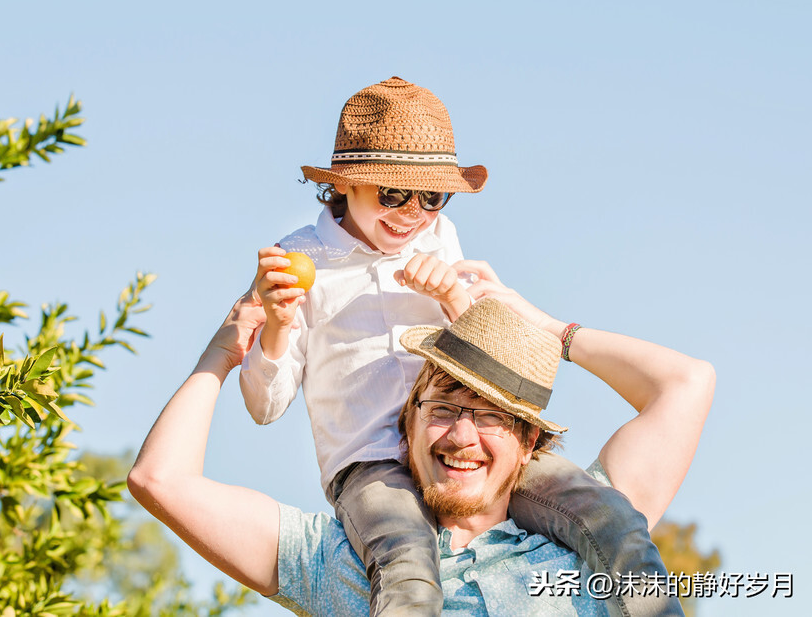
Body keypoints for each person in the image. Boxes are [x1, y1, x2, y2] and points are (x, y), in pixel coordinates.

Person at [241, 77, 675, 615]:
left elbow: (486, 360)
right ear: (345, 184)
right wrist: (279, 325)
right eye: (394, 193)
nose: (413, 213)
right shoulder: (300, 260)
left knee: (613, 520)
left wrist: (452, 296)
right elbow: (264, 407)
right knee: (407, 572)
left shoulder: (438, 237)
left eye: (432, 196)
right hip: (374, 462)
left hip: (470, 448)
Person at [127, 270, 715, 615]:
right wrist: (223, 355)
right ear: (406, 424)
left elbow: (688, 383)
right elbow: (160, 481)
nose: (462, 436)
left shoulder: (591, 529)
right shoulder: (340, 560)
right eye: (443, 409)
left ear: (530, 438)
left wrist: (544, 330)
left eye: (491, 418)